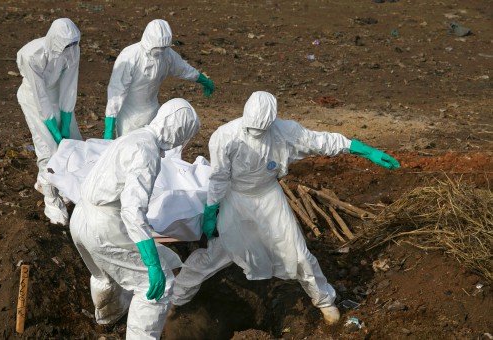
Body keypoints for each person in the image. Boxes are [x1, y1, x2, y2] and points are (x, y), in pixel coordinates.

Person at [170, 91, 400, 325]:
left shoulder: (286, 132)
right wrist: (212, 210)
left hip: (269, 197)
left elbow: (321, 141)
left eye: (261, 131)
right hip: (236, 199)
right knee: (220, 252)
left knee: (298, 252)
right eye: (252, 130)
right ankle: (175, 299)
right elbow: (219, 178)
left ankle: (324, 302)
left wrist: (364, 150)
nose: (256, 135)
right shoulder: (225, 136)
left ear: (271, 123)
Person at [69, 98, 201, 339]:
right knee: (156, 287)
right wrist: (151, 261)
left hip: (80, 217)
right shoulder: (147, 151)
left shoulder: (134, 137)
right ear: (178, 131)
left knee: (104, 274)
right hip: (105, 224)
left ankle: (107, 319)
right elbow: (132, 209)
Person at [16, 18, 82, 226]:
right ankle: (52, 202)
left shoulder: (72, 51)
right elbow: (39, 95)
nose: (70, 48)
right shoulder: (32, 55)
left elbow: (69, 85)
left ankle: (59, 185)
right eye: (66, 44)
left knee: (74, 143)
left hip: (56, 96)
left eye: (74, 44)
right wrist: (54, 129)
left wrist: (66, 119)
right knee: (49, 149)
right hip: (34, 99)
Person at [103, 19, 214, 139]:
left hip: (154, 113)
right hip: (129, 118)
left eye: (163, 47)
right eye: (158, 47)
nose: (160, 51)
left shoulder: (167, 54)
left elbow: (183, 69)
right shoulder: (130, 56)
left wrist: (202, 79)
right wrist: (110, 124)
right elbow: (117, 90)